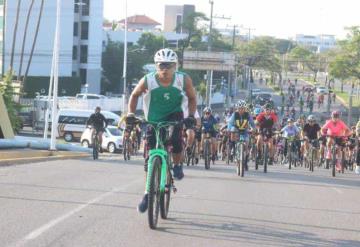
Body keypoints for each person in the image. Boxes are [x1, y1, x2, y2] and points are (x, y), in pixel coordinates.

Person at [126, 48, 197, 213]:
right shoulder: (148, 80)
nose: (165, 69)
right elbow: (134, 95)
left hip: (174, 115)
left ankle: (177, 165)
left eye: (169, 65)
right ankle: (147, 193)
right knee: (149, 157)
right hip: (153, 118)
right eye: (161, 65)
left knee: (176, 141)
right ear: (156, 66)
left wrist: (191, 116)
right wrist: (130, 113)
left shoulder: (183, 79)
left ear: (175, 66)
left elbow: (192, 98)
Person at [227, 100, 255, 166]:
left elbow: (252, 123)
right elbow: (230, 123)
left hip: (245, 130)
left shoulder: (248, 115)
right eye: (240, 108)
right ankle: (234, 148)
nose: (241, 110)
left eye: (242, 108)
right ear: (237, 108)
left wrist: (253, 129)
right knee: (232, 131)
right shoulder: (234, 114)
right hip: (237, 129)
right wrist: (228, 129)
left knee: (247, 144)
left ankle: (245, 161)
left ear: (245, 109)